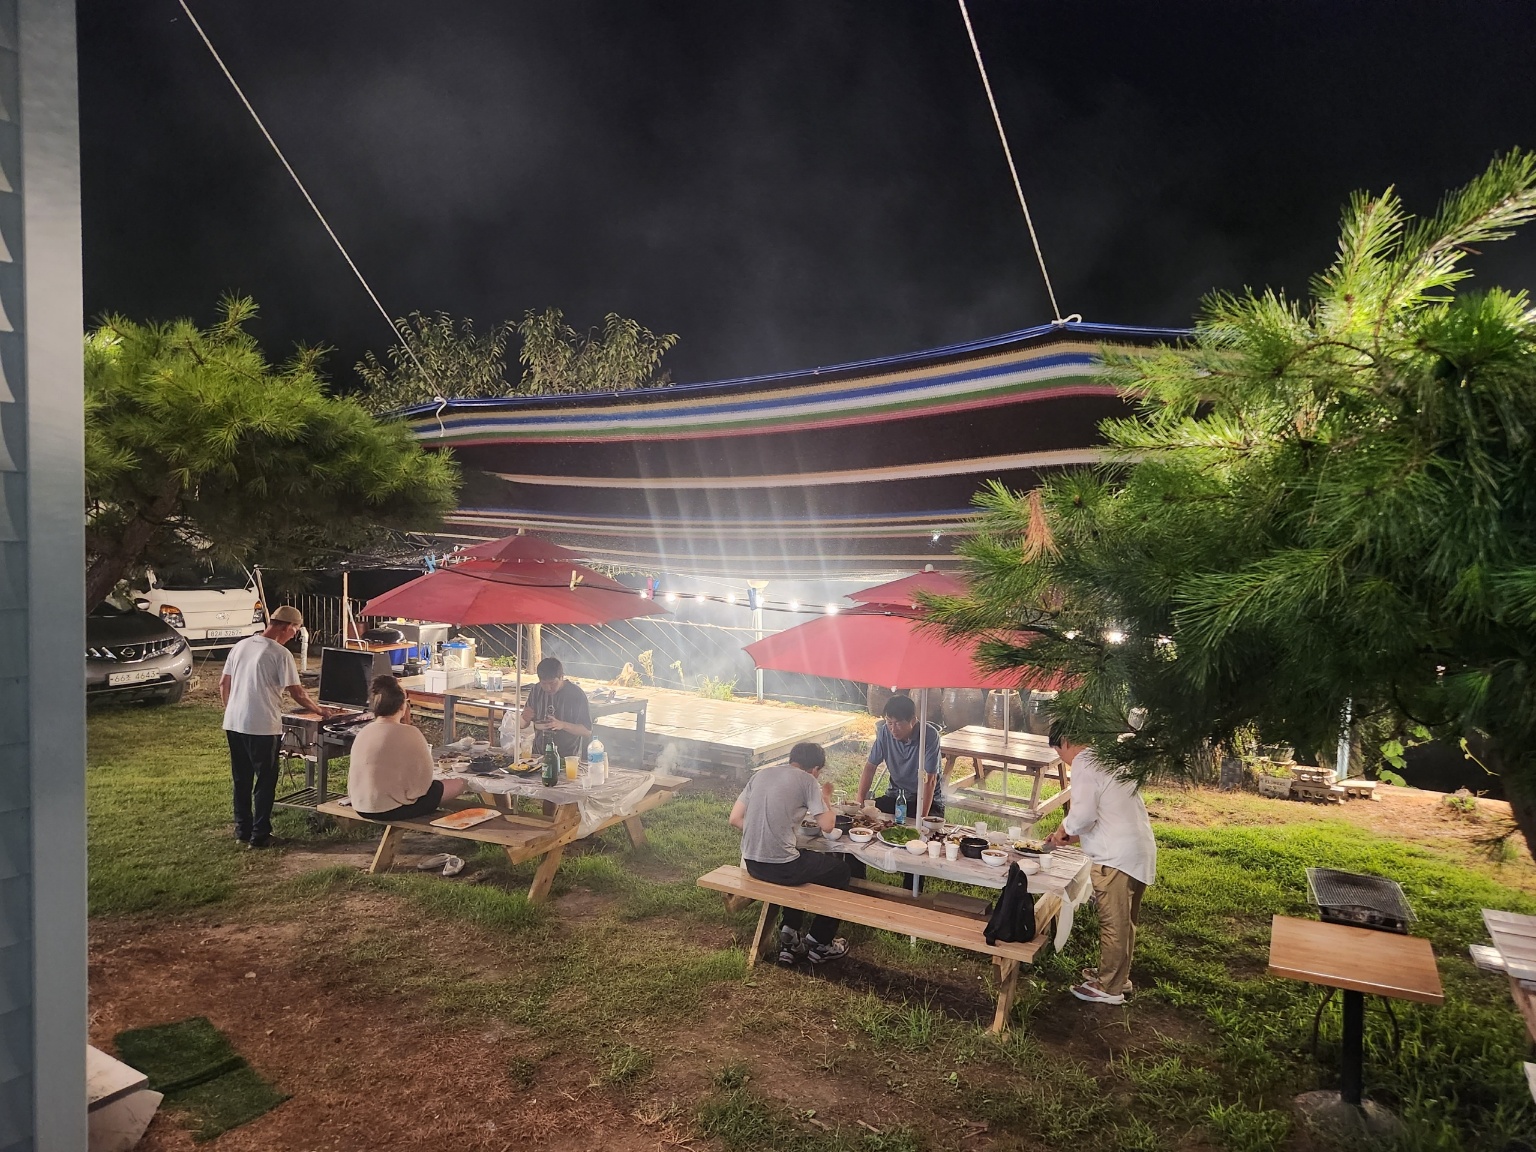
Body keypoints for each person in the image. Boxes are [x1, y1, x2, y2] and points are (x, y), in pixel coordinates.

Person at [1044, 723, 1157, 1005]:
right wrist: (1068, 835)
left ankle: (1109, 988)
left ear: (1065, 742)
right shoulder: (1106, 756)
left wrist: (1065, 828)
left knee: (1113, 923)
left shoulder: (1084, 762)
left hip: (1115, 858)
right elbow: (1102, 813)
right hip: (1138, 850)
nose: (1063, 760)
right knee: (1125, 922)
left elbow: (1082, 816)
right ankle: (1118, 976)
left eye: (1059, 753)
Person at [729, 742, 860, 965]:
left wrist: (769, 832)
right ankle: (820, 941)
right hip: (781, 867)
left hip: (752, 863)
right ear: (815, 769)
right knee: (840, 870)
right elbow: (828, 826)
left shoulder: (760, 775)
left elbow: (734, 819)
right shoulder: (807, 780)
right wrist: (826, 797)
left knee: (802, 862)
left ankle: (789, 932)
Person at [220, 605, 331, 847]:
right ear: (286, 626)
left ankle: (242, 830)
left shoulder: (241, 646)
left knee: (241, 778)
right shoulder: (280, 654)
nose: (295, 634)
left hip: (233, 723)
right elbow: (297, 692)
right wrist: (320, 711)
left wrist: (232, 710)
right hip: (262, 726)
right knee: (265, 780)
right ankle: (260, 835)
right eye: (296, 629)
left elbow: (223, 684)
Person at [349, 675, 467, 819]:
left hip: (360, 805)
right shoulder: (410, 732)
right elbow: (423, 782)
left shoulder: (364, 731)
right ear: (402, 705)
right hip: (393, 809)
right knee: (458, 783)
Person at [855, 693, 945, 822]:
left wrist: (921, 819)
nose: (893, 729)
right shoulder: (884, 732)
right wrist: (859, 802)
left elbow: (930, 779)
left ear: (912, 721)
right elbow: (870, 767)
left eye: (898, 723)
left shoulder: (929, 735)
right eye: (889, 722)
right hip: (896, 796)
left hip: (926, 801)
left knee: (925, 827)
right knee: (867, 818)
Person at [520, 657, 592, 761]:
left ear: (562, 677)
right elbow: (522, 725)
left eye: (552, 683)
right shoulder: (536, 690)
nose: (548, 688)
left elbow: (587, 731)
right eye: (544, 683)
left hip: (566, 758)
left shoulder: (576, 694)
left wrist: (562, 725)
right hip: (538, 756)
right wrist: (524, 718)